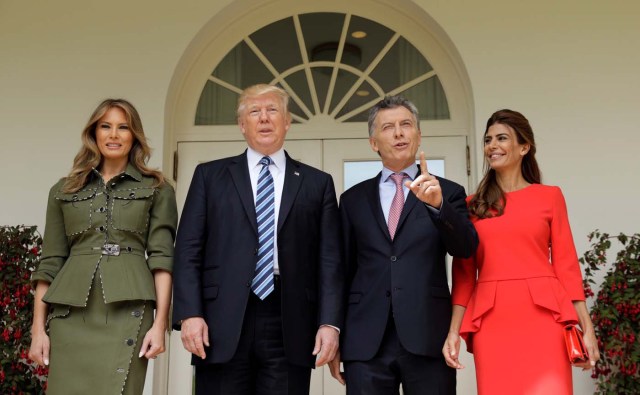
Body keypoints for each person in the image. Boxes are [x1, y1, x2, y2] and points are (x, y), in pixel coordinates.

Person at [172, 84, 343, 395]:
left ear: (288, 121)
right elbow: (187, 251)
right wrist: (190, 313)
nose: (264, 118)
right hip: (220, 320)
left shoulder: (317, 184)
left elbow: (329, 262)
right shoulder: (209, 177)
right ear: (242, 124)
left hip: (290, 320)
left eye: (273, 110)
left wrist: (330, 324)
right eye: (255, 111)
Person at [442, 109, 600, 394]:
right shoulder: (471, 206)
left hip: (545, 320)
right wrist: (453, 331)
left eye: (502, 138)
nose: (492, 146)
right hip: (492, 322)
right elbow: (464, 277)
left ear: (524, 146)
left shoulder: (549, 196)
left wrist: (586, 328)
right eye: (488, 140)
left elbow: (566, 266)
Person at [329, 95, 478, 394]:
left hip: (427, 335)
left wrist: (438, 208)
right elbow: (339, 272)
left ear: (418, 135)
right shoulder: (352, 200)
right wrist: (336, 335)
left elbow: (466, 248)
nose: (398, 133)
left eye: (406, 125)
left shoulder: (447, 192)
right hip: (365, 339)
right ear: (374, 142)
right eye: (388, 127)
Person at [28, 99, 178, 394]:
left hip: (129, 311)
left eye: (123, 127)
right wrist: (37, 329)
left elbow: (162, 259)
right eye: (105, 126)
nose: (113, 135)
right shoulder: (63, 189)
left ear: (134, 135)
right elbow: (50, 262)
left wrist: (160, 324)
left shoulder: (157, 188)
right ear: (93, 133)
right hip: (70, 317)